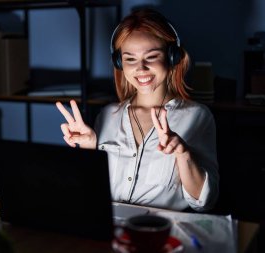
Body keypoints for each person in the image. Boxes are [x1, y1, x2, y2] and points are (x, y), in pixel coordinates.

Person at [56, 8, 219, 212]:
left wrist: (183, 154)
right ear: (119, 63)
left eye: (151, 57)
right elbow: (92, 190)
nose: (140, 68)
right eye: (130, 59)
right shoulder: (107, 115)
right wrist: (90, 148)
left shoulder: (197, 116)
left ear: (172, 57)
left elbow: (204, 202)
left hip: (161, 231)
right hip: (109, 228)